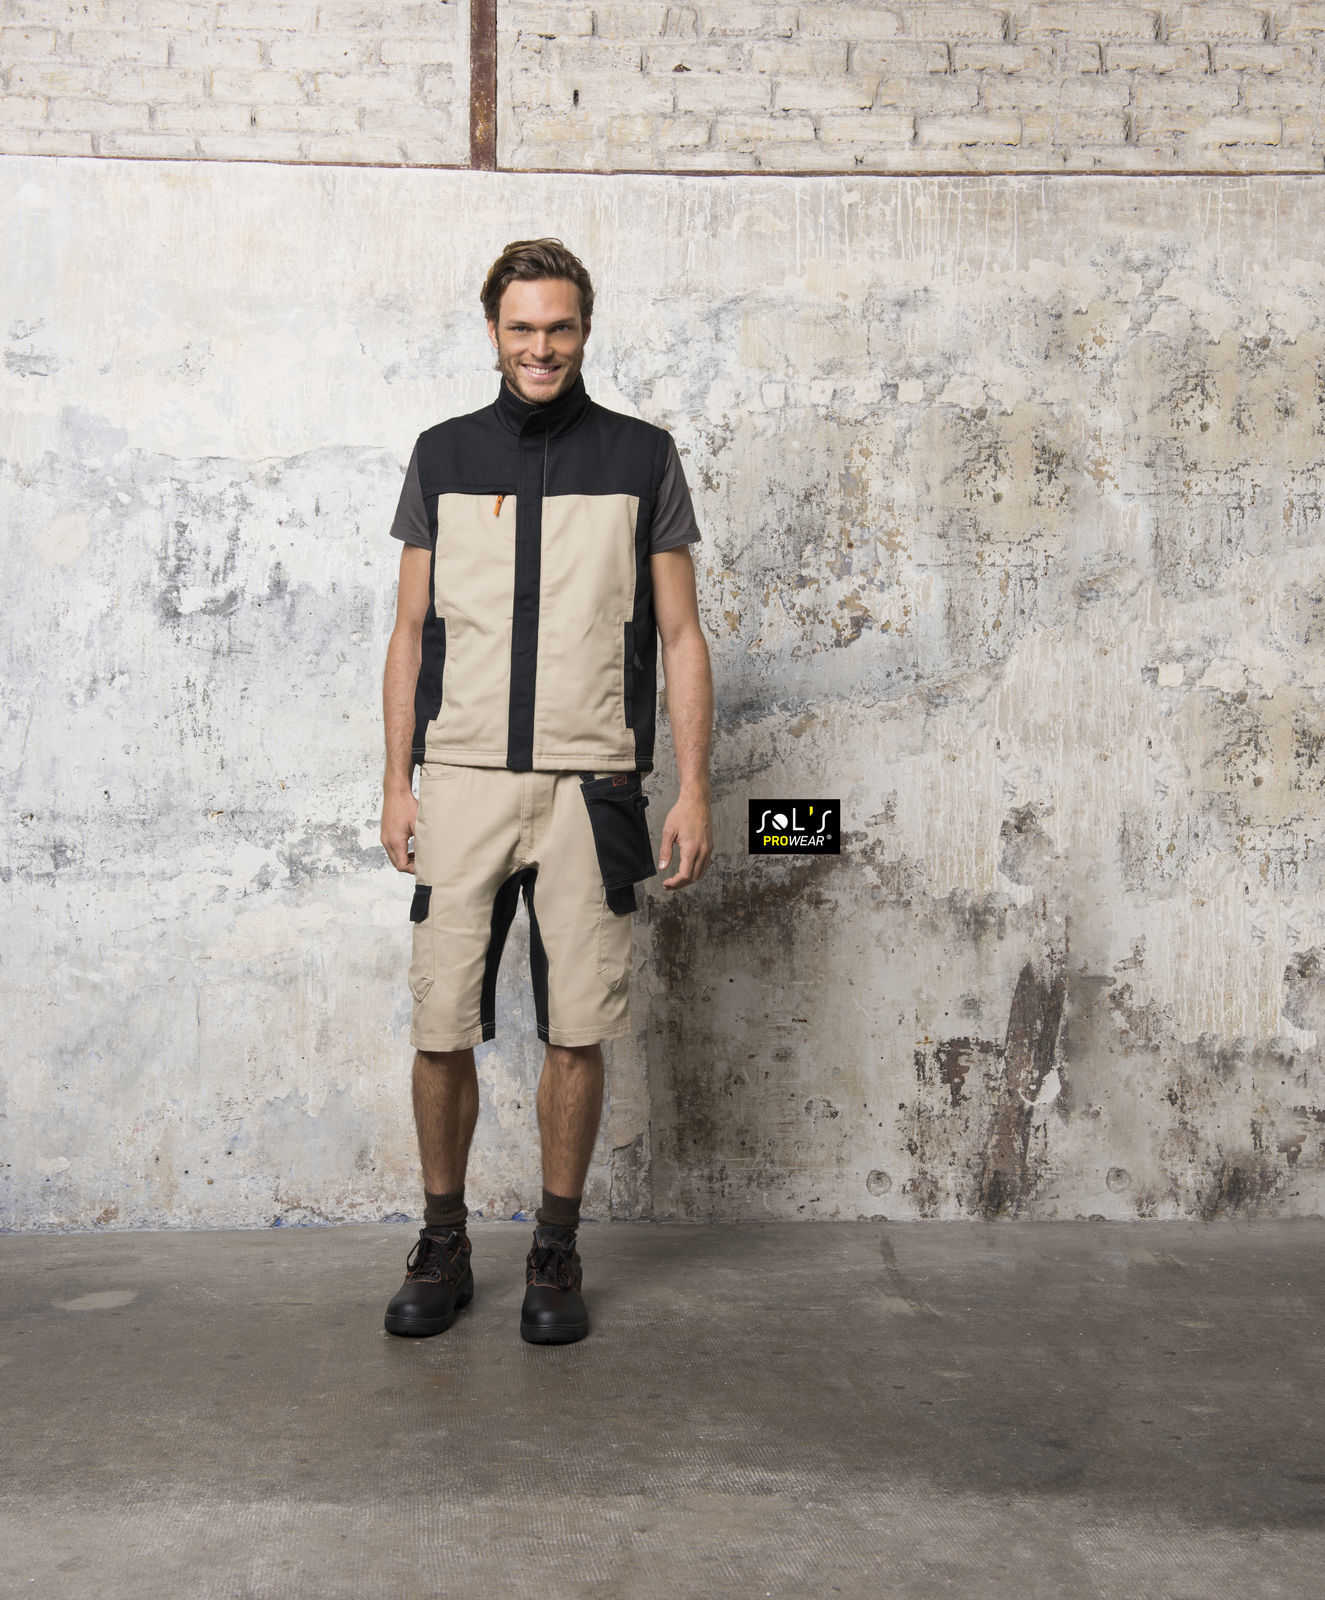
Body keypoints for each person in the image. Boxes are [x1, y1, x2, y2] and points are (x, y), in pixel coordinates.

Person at [378, 238, 714, 1345]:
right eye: (521, 327)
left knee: (579, 1025)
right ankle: (443, 1239)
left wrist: (694, 788)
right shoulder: (441, 454)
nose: (540, 347)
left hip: (591, 784)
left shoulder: (640, 457)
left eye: (558, 327)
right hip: (463, 779)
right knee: (440, 1023)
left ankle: (555, 1248)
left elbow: (680, 634)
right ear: (492, 332)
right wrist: (396, 782)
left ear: (584, 331)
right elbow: (410, 631)